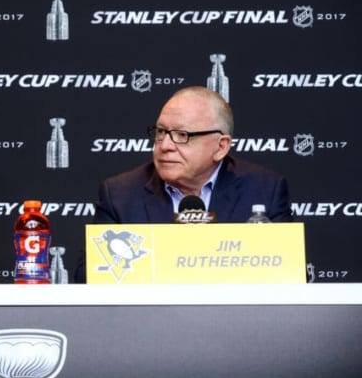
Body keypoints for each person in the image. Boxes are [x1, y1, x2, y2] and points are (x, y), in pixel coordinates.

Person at [76, 86, 292, 282]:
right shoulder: (120, 195)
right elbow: (89, 277)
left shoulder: (264, 190)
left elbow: (288, 276)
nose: (165, 145)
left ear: (221, 147)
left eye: (183, 135)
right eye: (161, 132)